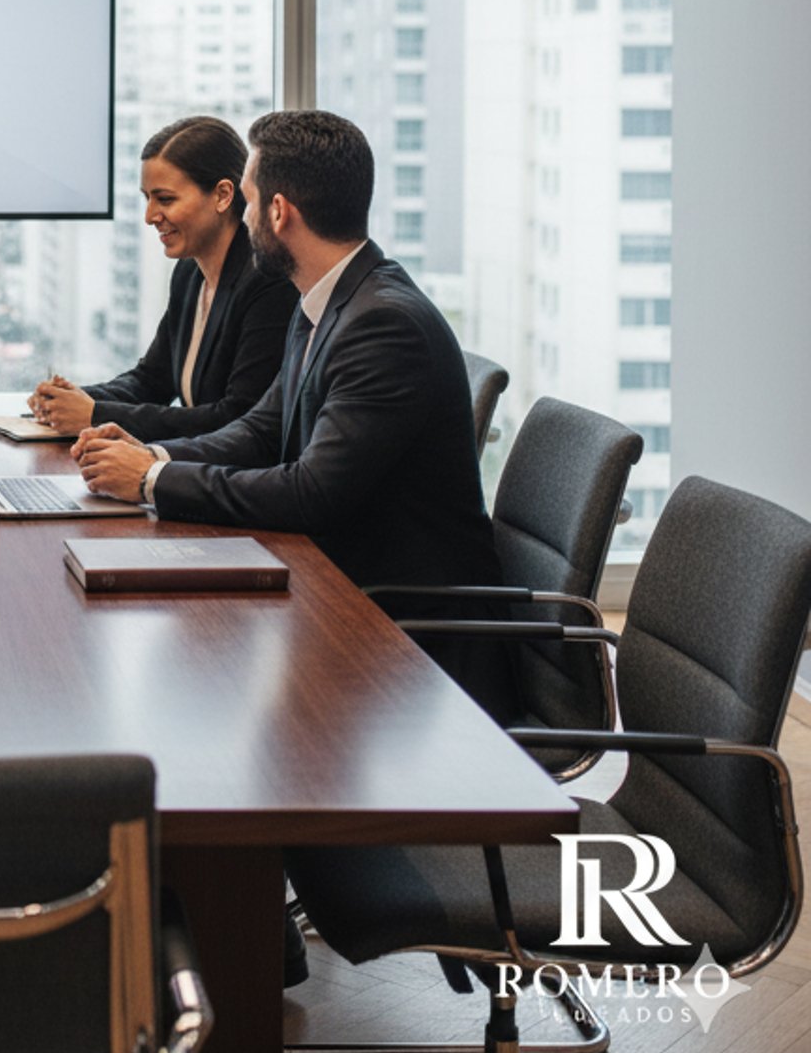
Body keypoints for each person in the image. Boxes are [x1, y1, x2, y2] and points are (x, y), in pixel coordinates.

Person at [72, 109, 511, 712]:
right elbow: (262, 428)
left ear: (279, 212)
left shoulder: (383, 324)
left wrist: (151, 480)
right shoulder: (328, 299)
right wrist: (153, 455)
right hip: (346, 594)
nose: (246, 218)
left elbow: (311, 492)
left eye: (249, 202)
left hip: (413, 644)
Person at [27, 116, 296, 443]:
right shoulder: (189, 273)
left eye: (165, 199)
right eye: (147, 198)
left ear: (223, 195)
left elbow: (237, 417)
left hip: (232, 481)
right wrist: (72, 399)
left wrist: (96, 414)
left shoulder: (268, 281)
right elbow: (151, 381)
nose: (150, 216)